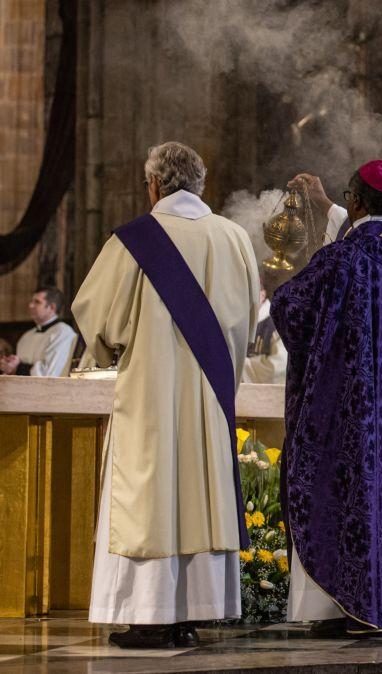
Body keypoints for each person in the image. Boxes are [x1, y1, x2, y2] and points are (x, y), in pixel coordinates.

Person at [72, 142, 259, 648]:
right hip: (209, 396)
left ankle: (149, 615)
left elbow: (97, 317)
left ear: (154, 184)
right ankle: (193, 612)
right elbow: (249, 322)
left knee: (148, 497)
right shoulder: (235, 238)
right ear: (200, 184)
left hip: (151, 397)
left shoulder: (134, 241)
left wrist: (108, 351)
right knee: (199, 493)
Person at [271, 160, 382, 637]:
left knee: (345, 491)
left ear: (356, 201)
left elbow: (290, 309)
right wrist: (330, 209)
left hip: (351, 404)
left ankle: (353, 605)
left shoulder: (343, 258)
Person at [0, 287, 77, 377]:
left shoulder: (63, 333)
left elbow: (50, 373)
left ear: (52, 307)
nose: (30, 305)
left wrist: (17, 368)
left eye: (37, 302)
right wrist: (10, 365)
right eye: (31, 301)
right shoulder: (26, 336)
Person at [242, 284, 288, 385]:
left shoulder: (278, 322)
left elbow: (279, 366)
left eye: (250, 292)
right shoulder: (242, 322)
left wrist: (239, 366)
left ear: (262, 295)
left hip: (268, 396)